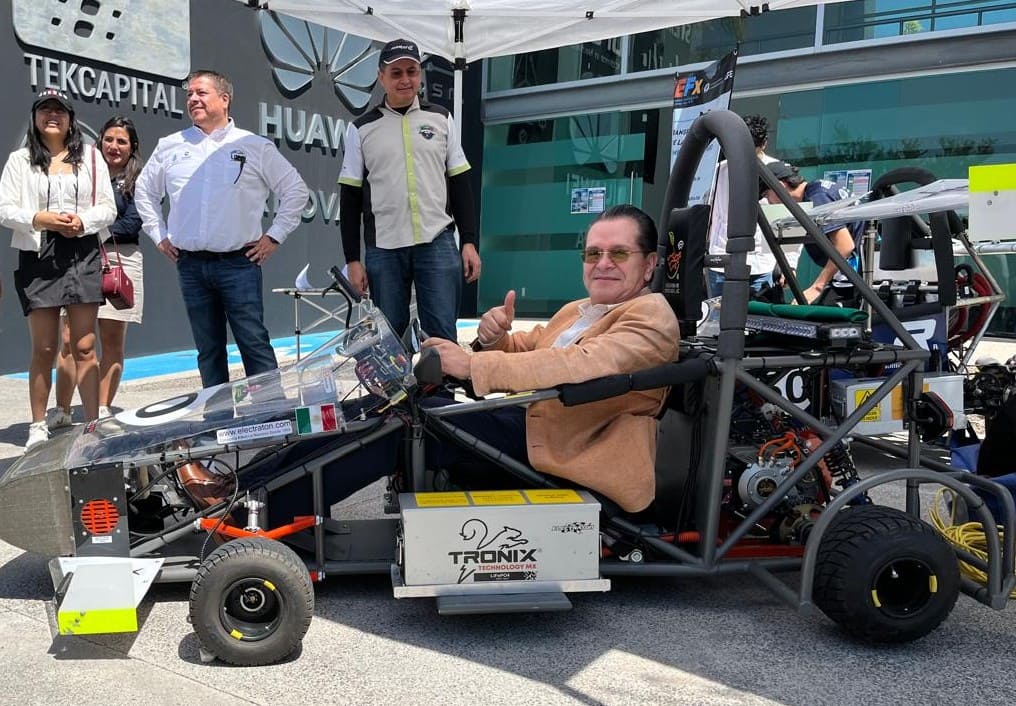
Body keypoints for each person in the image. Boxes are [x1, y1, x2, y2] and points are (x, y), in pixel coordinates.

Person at [266, 204, 680, 521]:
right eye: (593, 253)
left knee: (407, 422)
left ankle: (267, 511)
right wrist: (495, 337)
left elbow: (578, 364)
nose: (603, 263)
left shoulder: (651, 316)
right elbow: (532, 348)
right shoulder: (581, 309)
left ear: (648, 265)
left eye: (619, 253)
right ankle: (253, 484)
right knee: (385, 405)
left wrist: (470, 366)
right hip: (534, 424)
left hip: (566, 448)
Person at [135, 70, 308, 388]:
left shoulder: (253, 146)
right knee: (208, 350)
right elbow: (144, 191)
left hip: (239, 264)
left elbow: (296, 190)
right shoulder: (170, 146)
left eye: (201, 93)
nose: (193, 99)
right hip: (190, 265)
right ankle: (217, 416)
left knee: (253, 343)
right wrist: (158, 234)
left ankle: (271, 413)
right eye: (189, 94)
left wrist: (275, 236)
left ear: (224, 99)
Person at [339, 38, 480, 342]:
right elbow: (349, 198)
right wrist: (352, 259)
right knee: (390, 339)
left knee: (442, 335)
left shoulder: (441, 119)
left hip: (437, 241)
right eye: (396, 73)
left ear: (420, 74)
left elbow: (460, 183)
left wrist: (469, 241)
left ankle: (439, 377)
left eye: (412, 71)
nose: (405, 80)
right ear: (381, 77)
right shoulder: (360, 128)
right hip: (384, 249)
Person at [0, 89, 116, 449]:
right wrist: (40, 218)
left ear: (70, 119)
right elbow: (4, 208)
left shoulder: (92, 157)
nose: (53, 115)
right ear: (35, 117)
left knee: (84, 345)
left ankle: (93, 423)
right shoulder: (20, 160)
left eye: (60, 110)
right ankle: (38, 425)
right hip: (39, 253)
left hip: (83, 251)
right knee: (45, 348)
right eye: (45, 109)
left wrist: (82, 222)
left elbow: (108, 207)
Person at [49, 117, 145, 427]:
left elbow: (132, 223)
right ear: (100, 140)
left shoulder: (138, 180)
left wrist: (88, 227)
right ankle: (62, 410)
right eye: (109, 139)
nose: (114, 146)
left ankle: (102, 410)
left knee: (112, 340)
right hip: (79, 257)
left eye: (122, 141)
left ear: (132, 147)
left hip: (120, 260)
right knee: (69, 339)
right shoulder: (82, 171)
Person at [761, 161, 864, 304]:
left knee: (820, 316)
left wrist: (817, 287)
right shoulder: (815, 192)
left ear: (780, 185)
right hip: (849, 273)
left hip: (857, 276)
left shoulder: (817, 197)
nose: (767, 201)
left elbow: (845, 246)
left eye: (766, 194)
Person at [706, 114, 780, 297]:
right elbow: (709, 212)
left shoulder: (777, 170)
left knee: (761, 312)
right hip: (722, 260)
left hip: (763, 263)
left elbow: (789, 220)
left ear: (763, 144)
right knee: (718, 312)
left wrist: (789, 265)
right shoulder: (719, 170)